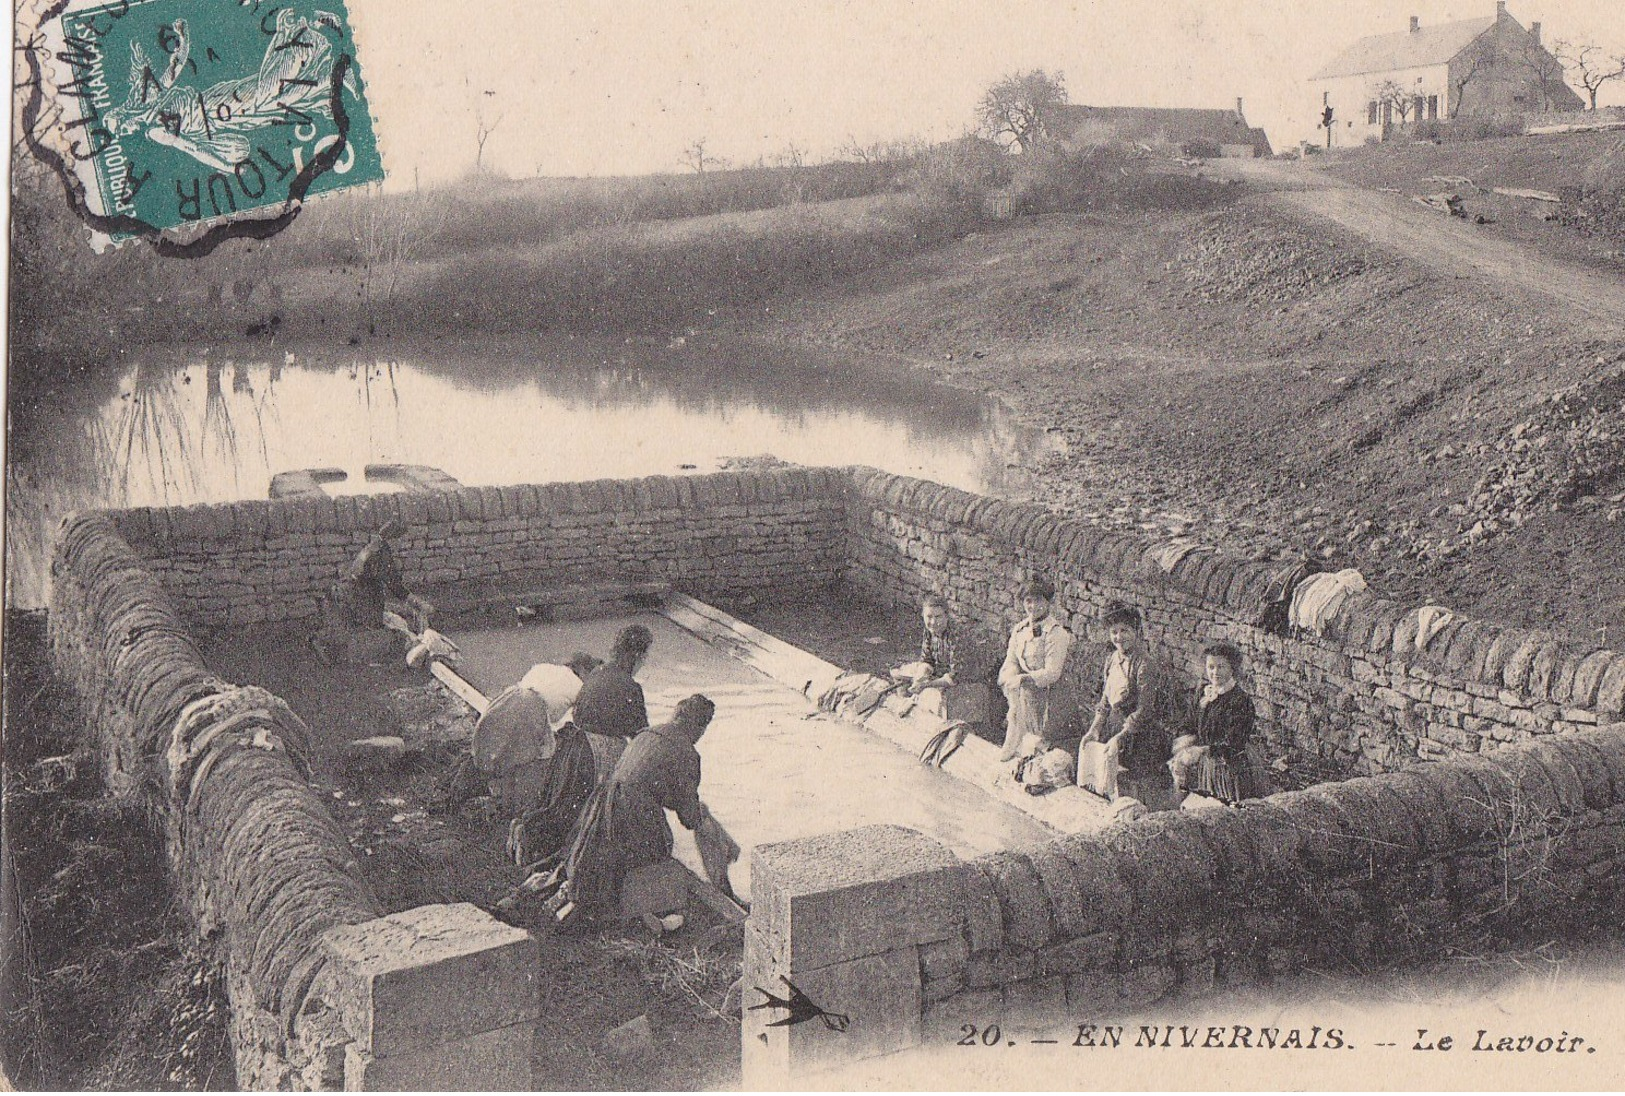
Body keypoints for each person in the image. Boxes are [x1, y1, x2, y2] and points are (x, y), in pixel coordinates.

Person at [551, 694, 729, 928]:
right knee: (659, 851)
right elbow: (689, 818)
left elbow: (653, 784)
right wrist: (710, 827)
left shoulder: (647, 734)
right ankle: (647, 911)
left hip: (604, 803)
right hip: (634, 811)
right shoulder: (687, 752)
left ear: (675, 715)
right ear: (700, 728)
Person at [1079, 604, 1179, 809]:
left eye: (1124, 630)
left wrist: (1120, 738)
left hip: (1140, 735)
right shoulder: (1112, 660)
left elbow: (1145, 709)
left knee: (1134, 789)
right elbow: (1106, 701)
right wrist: (1094, 729)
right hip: (1115, 727)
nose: (1119, 637)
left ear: (1136, 632)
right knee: (1107, 780)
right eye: (1114, 632)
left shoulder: (1145, 664)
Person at [997, 577, 1074, 782]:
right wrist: (1010, 676)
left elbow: (1052, 672)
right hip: (1026, 694)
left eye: (1039, 601)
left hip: (1052, 697)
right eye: (1029, 601)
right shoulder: (1020, 629)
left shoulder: (1057, 633)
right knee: (1017, 723)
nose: (1033, 606)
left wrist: (1022, 680)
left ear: (1049, 603)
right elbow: (1011, 659)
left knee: (1042, 743)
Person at [1170, 643, 1258, 805]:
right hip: (1204, 761)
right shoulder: (1204, 692)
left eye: (1221, 667)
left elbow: (1234, 742)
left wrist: (1203, 750)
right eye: (1211, 667)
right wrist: (1186, 739)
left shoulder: (1240, 700)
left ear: (1232, 668)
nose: (1215, 672)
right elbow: (1189, 722)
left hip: (1228, 764)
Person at [573, 625, 654, 741]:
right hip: (603, 748)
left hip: (579, 741)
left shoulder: (596, 672)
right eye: (645, 656)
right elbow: (640, 735)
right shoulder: (631, 687)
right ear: (638, 656)